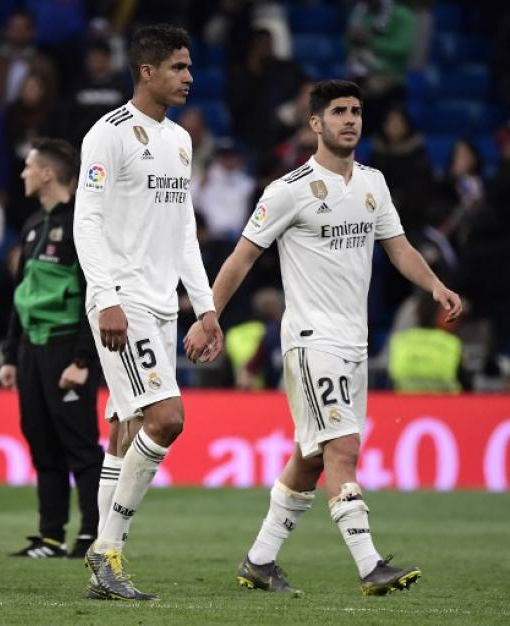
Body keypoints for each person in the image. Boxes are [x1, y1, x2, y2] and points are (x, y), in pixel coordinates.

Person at [183, 80, 463, 596]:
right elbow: (242, 257)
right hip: (312, 340)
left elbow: (398, 248)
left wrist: (436, 285)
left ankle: (259, 561)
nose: (351, 119)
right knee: (343, 447)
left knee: (311, 457)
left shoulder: (373, 183)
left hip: (353, 341)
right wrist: (208, 316)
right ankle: (370, 564)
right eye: (339, 112)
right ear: (316, 124)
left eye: (356, 111)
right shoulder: (288, 190)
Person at [74, 24, 223, 601]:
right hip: (124, 301)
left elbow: (184, 228)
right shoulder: (107, 136)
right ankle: (106, 551)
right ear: (147, 71)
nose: (189, 77)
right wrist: (106, 295)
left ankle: (102, 569)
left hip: (163, 304)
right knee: (168, 420)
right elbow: (86, 219)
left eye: (189, 67)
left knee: (130, 428)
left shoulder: (180, 142)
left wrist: (205, 308)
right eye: (179, 68)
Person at [0, 138, 102, 560]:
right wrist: (9, 355)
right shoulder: (32, 226)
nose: (22, 174)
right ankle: (51, 536)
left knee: (79, 445)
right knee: (40, 441)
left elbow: (93, 295)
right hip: (31, 351)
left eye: (28, 167)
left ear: (47, 174)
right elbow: (22, 292)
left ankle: (93, 534)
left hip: (65, 351)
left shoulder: (83, 224)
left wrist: (82, 360)